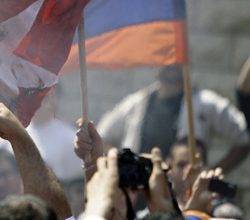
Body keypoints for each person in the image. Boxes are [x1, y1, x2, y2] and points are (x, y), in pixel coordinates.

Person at [97, 64, 250, 173]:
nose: (172, 62)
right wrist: (124, 163)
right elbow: (103, 135)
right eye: (166, 56)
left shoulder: (207, 103)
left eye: (177, 56)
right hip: (138, 190)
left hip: (183, 193)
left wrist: (214, 173)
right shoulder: (136, 103)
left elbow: (243, 137)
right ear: (155, 63)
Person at [0, 103, 73, 220]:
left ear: (19, 173)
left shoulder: (36, 212)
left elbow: (59, 214)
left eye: (4, 175)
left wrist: (16, 133)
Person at [0, 93, 82, 182]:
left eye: (41, 96)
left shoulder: (70, 138)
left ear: (53, 99)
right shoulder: (6, 134)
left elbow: (75, 181)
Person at [166, 137, 206, 208]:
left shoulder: (216, 208)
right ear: (169, 166)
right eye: (181, 165)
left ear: (205, 166)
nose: (187, 171)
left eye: (193, 165)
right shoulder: (159, 206)